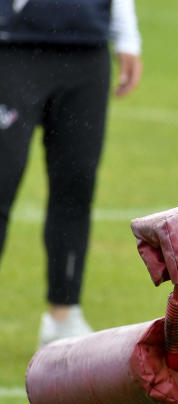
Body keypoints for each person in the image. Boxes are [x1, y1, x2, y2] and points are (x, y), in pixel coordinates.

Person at [0, 0, 143, 346]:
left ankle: (63, 315)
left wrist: (127, 37)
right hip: (13, 47)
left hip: (86, 51)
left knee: (76, 185)